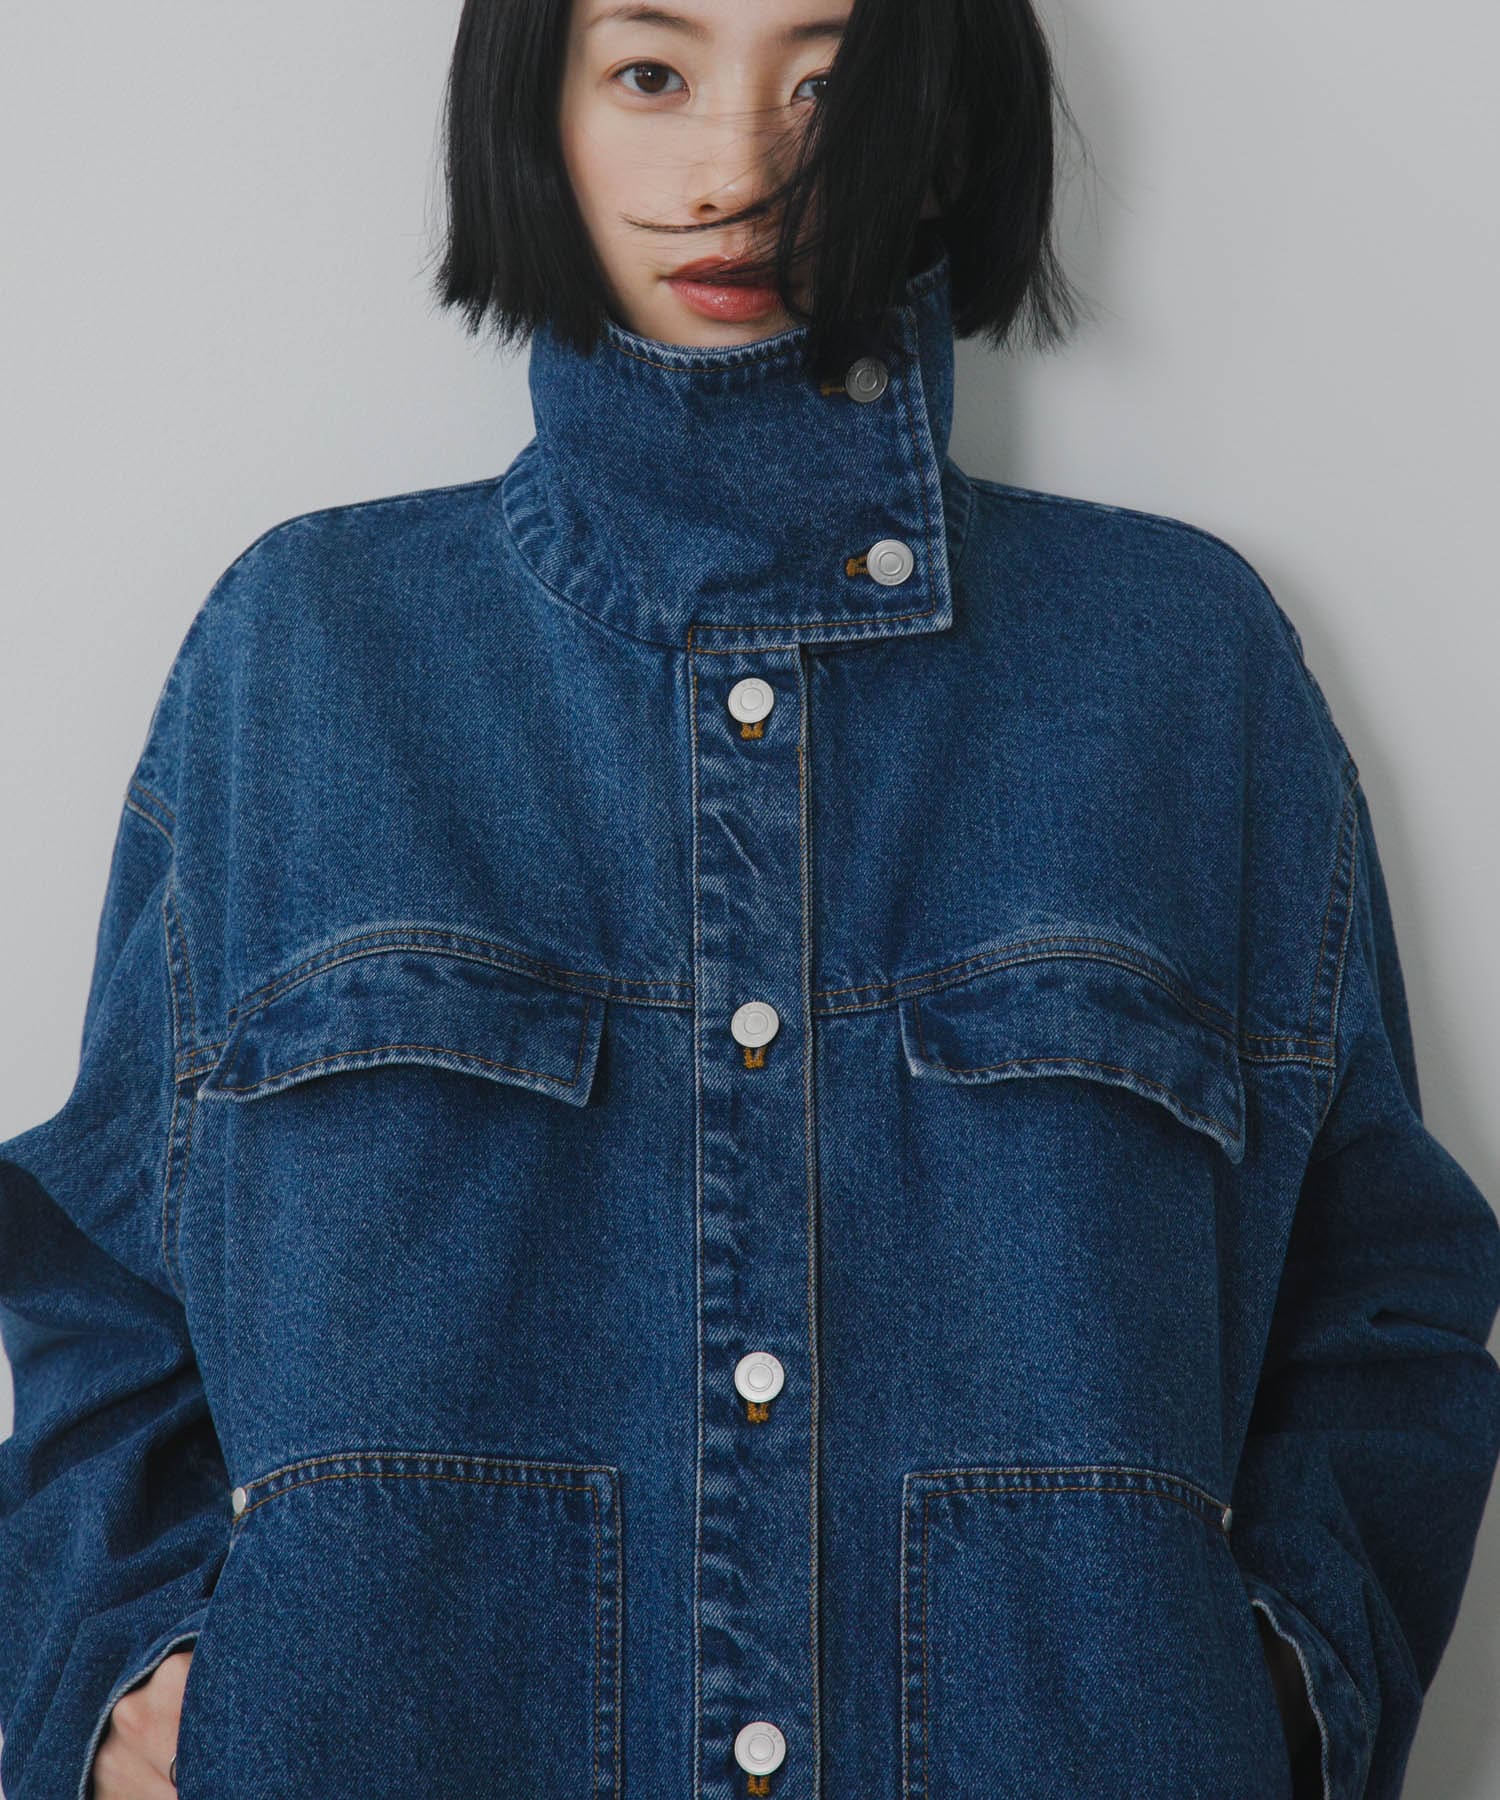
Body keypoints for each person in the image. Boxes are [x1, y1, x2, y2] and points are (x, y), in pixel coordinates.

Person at [2, 1, 1498, 1796]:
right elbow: (102, 1284)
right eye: (652, 74)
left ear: (947, 128)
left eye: (831, 84)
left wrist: (1288, 1693)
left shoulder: (1181, 666)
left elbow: (1384, 1296)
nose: (735, 170)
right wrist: (121, 1680)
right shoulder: (309, 655)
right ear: (535, 110)